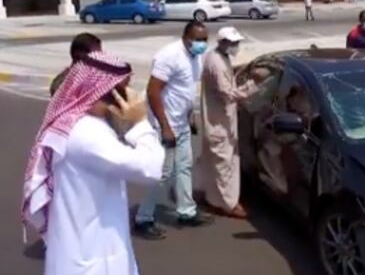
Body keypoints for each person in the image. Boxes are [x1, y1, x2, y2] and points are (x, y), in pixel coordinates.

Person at [22, 51, 165, 275]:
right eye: (121, 91)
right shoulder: (87, 134)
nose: (129, 97)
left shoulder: (76, 124)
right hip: (92, 260)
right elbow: (150, 169)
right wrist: (140, 123)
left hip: (86, 249)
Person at [134, 20, 213, 239]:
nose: (202, 44)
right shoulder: (169, 55)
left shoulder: (194, 57)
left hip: (182, 122)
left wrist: (191, 115)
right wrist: (165, 126)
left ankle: (186, 211)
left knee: (185, 167)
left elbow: (186, 89)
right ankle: (143, 218)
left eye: (205, 39)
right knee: (163, 172)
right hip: (165, 124)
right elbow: (153, 91)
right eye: (198, 40)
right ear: (186, 38)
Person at [199, 27, 265, 219]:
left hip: (219, 119)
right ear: (223, 43)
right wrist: (253, 84)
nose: (236, 46)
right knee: (224, 164)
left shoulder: (218, 57)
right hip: (220, 123)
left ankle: (213, 198)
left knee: (215, 163)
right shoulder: (217, 63)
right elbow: (228, 94)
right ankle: (229, 204)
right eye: (233, 43)